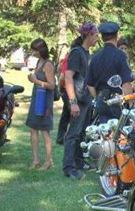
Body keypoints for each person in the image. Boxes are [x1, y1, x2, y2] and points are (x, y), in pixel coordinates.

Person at [62, 23, 99, 180]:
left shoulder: (86, 53)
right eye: (96, 35)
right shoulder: (77, 53)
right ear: (89, 35)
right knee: (73, 134)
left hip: (86, 100)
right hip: (77, 100)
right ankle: (69, 168)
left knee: (82, 134)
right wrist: (73, 102)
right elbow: (68, 76)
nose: (97, 38)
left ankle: (79, 162)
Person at [87, 22, 133, 125]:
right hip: (117, 101)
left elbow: (89, 84)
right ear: (116, 36)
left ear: (102, 38)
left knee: (104, 135)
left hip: (101, 100)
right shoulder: (120, 56)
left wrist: (97, 98)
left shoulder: (95, 57)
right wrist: (129, 104)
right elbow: (126, 83)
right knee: (121, 136)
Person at [25, 38, 56, 170]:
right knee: (33, 129)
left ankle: (49, 161)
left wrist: (36, 81)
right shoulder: (39, 62)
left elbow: (52, 86)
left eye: (35, 50)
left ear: (41, 50)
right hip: (36, 99)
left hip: (44, 102)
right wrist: (33, 79)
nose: (33, 52)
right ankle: (36, 160)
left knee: (44, 131)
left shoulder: (48, 65)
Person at [56, 38, 81, 145]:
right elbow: (63, 76)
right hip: (67, 90)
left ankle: (61, 138)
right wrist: (61, 89)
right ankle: (68, 139)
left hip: (67, 90)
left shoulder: (70, 57)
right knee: (71, 115)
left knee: (65, 115)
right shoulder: (71, 58)